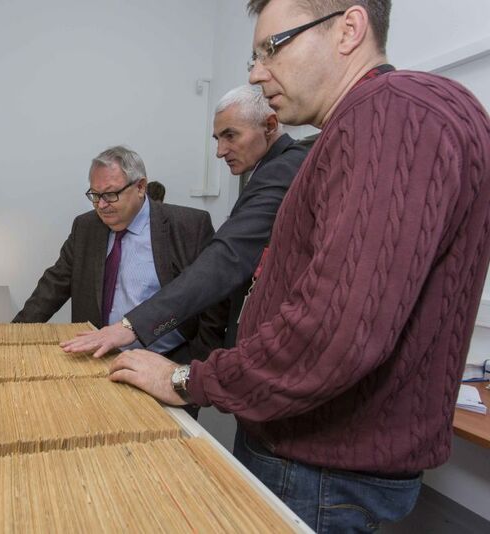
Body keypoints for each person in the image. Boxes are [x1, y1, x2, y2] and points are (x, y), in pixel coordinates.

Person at [105, 1, 490, 531]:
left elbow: (333, 333)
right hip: (319, 458)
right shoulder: (380, 121)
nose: (256, 73)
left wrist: (186, 378)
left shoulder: (392, 111)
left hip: (315, 467)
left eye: (272, 48)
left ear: (349, 29)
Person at [61, 85, 308, 356]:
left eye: (230, 135)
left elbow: (225, 260)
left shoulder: (283, 170)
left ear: (270, 126)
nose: (220, 151)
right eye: (217, 139)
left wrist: (133, 327)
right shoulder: (271, 171)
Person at [13, 146, 226, 364]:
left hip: (166, 360)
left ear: (140, 187)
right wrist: (13, 335)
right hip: (97, 360)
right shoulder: (86, 227)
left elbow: (213, 304)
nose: (101, 205)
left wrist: (196, 367)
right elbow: (53, 286)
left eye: (110, 194)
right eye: (95, 195)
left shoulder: (188, 226)